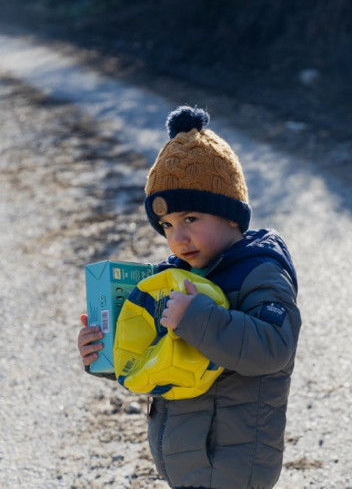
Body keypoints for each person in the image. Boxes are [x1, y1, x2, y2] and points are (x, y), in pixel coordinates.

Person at [77, 105, 302, 489]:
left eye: (190, 220)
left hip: (232, 460)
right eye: (167, 225)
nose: (177, 237)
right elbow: (159, 355)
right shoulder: (173, 278)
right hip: (186, 457)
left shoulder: (260, 271)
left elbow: (273, 346)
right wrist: (108, 354)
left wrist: (197, 317)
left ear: (231, 216)